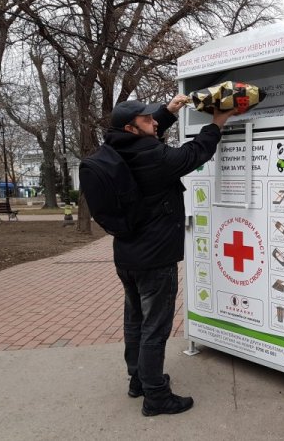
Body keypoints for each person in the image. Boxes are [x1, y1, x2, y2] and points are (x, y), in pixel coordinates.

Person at [104, 95, 235, 416]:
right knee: (156, 327)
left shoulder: (117, 148)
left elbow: (152, 132)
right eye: (147, 120)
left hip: (128, 255)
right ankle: (156, 396)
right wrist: (217, 123)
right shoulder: (153, 156)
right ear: (130, 128)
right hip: (155, 259)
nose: (154, 123)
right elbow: (194, 152)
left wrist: (168, 112)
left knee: (135, 320)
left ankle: (138, 379)